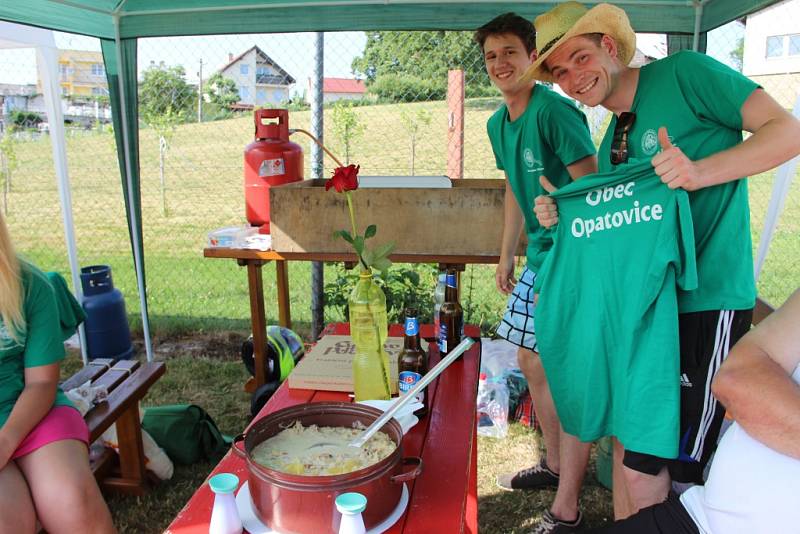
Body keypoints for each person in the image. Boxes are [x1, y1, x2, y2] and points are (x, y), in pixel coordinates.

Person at [524, 1, 800, 519]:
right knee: (632, 450)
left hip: (705, 301)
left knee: (665, 469)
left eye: (579, 58)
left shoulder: (686, 74)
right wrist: (564, 214)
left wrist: (699, 171)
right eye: (559, 72)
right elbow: (616, 229)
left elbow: (788, 131)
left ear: (609, 47)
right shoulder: (614, 141)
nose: (572, 78)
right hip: (647, 315)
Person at [473, 13, 598, 533]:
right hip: (541, 255)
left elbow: (590, 189)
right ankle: (552, 464)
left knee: (564, 376)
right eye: (491, 56)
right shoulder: (498, 122)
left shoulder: (555, 112)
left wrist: (566, 264)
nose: (500, 64)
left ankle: (567, 508)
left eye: (510, 53)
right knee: (529, 359)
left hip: (573, 258)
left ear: (532, 58)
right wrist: (507, 253)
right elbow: (514, 190)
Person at [587, 287, 800, 534]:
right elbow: (735, 380)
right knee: (629, 453)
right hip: (697, 517)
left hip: (703, 301)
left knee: (650, 463)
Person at [0, 212, 116, 534]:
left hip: (33, 410)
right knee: (8, 522)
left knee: (73, 503)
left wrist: (6, 441)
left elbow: (40, 383)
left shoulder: (29, 284)